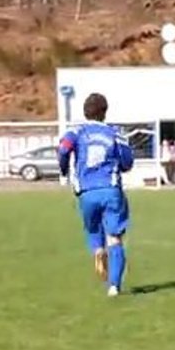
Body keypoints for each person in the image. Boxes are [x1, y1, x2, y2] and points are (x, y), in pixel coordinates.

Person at [57, 92, 134, 297]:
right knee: (115, 238)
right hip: (110, 189)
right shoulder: (115, 133)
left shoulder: (76, 131)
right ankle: (114, 286)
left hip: (86, 191)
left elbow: (64, 149)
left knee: (92, 228)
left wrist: (64, 170)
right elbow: (127, 161)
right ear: (105, 112)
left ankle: (98, 251)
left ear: (85, 111)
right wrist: (120, 166)